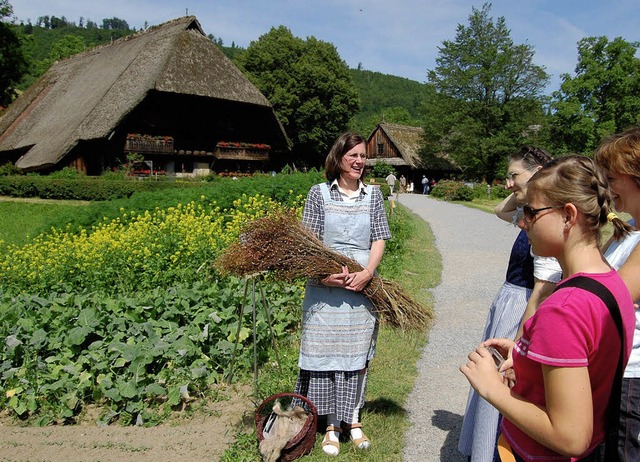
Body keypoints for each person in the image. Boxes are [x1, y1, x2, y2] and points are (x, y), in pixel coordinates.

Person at [461, 155, 636, 461]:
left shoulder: (564, 308)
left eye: (531, 211)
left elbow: (570, 437)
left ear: (569, 216)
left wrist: (492, 389)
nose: (523, 222)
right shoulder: (612, 284)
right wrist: (526, 355)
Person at [458, 146, 561, 462]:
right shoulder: (530, 211)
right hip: (509, 301)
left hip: (522, 305)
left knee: (501, 381)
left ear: (540, 170)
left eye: (513, 175)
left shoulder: (547, 219)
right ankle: (483, 447)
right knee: (492, 377)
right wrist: (524, 188)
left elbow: (543, 288)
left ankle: (492, 452)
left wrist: (518, 343)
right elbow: (500, 211)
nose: (508, 183)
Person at [292, 132, 392, 456]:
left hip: (362, 289)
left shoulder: (373, 196)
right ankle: (331, 426)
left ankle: (354, 419)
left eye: (363, 156)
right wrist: (327, 277)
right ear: (339, 158)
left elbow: (379, 238)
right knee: (327, 357)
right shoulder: (318, 194)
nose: (360, 162)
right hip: (325, 289)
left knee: (356, 357)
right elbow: (309, 243)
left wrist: (367, 273)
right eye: (353, 156)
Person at [594, 126, 640, 461]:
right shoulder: (629, 231)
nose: (607, 188)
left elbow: (608, 298)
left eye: (611, 178)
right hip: (614, 373)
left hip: (632, 381)